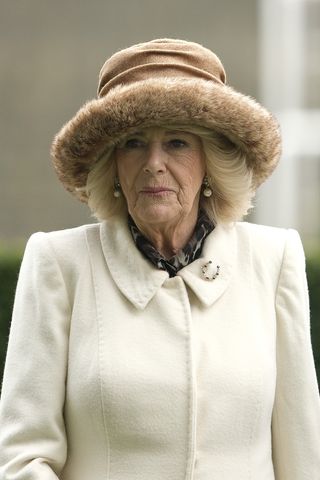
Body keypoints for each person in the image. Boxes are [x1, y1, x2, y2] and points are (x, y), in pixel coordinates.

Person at [0, 38, 319, 480]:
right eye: (133, 142)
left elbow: (303, 457)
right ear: (112, 164)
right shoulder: (59, 264)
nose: (154, 163)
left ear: (211, 160)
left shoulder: (273, 258)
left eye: (176, 143)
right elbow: (22, 459)